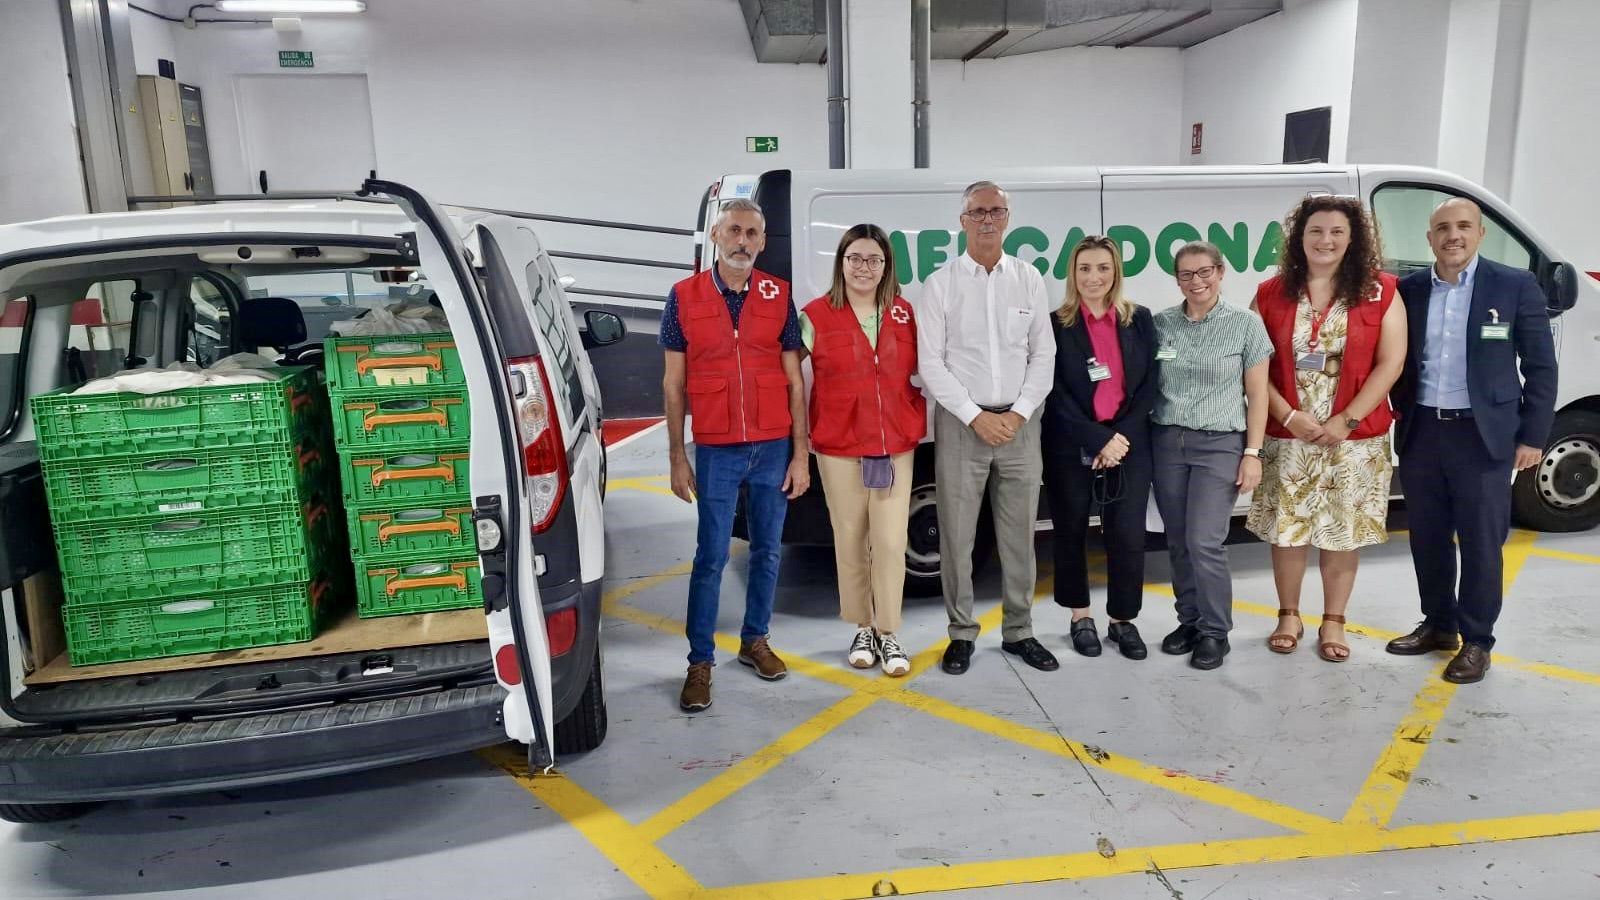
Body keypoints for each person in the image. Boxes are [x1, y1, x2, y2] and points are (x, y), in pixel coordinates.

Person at [1386, 197, 1557, 684]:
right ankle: (1438, 624)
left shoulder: (1514, 284)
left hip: (1484, 437)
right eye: (1442, 227)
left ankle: (1477, 640)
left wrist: (1532, 437)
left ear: (1481, 234)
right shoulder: (1411, 289)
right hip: (1422, 432)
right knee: (1427, 536)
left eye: (1463, 226)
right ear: (1429, 238)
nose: (1453, 235)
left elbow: (1541, 368)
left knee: (1482, 541)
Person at [661, 197, 811, 712]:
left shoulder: (779, 295)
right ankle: (699, 661)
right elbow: (673, 382)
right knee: (711, 557)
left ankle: (755, 641)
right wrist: (678, 455)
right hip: (716, 449)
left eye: (751, 233)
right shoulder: (683, 297)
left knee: (769, 551)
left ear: (763, 241)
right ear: (717, 237)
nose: (742, 241)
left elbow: (794, 380)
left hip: (772, 445)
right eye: (733, 231)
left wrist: (800, 453)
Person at [1247, 195, 1407, 662]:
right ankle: (1289, 614)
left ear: (1354, 239)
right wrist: (1290, 416)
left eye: (1337, 231)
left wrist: (1347, 418)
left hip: (1354, 438)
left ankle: (1334, 620)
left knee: (1342, 531)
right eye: (1316, 231)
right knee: (1287, 530)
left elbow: (1391, 361)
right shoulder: (1269, 292)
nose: (1326, 240)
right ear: (1300, 237)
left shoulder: (1381, 291)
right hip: (1288, 435)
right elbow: (1254, 367)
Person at [917, 181, 1059, 675]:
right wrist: (976, 415)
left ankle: (1019, 630)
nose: (987, 219)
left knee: (1020, 532)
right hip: (962, 423)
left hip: (1021, 422)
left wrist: (1018, 412)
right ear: (962, 221)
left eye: (996, 211)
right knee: (957, 535)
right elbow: (930, 362)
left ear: (1007, 217)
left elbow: (1044, 353)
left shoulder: (1029, 278)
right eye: (977, 211)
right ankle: (960, 632)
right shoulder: (941, 283)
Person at [800, 224, 926, 676]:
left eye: (874, 259)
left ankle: (889, 633)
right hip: (838, 446)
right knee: (850, 539)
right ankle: (862, 625)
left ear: (886, 266)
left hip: (893, 445)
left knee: (891, 542)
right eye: (855, 258)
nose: (864, 268)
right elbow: (786, 373)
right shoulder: (815, 315)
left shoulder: (905, 313)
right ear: (841, 262)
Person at [1151, 241, 1273, 670]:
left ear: (1220, 272)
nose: (1196, 281)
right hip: (1167, 442)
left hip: (1220, 443)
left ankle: (1215, 631)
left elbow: (1258, 395)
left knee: (1205, 539)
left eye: (1204, 272)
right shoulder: (1162, 324)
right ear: (1177, 279)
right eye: (1186, 275)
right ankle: (1189, 620)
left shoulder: (1246, 324)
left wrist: (1253, 453)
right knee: (1178, 539)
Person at [1040, 235, 1158, 660]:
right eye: (1085, 268)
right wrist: (1097, 437)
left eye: (1103, 268)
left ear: (1116, 273)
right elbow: (1052, 391)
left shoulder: (1139, 319)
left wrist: (1118, 438)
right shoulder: (1055, 324)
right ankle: (1080, 617)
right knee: (1070, 531)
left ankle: (1123, 621)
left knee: (1127, 535)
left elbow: (1148, 385)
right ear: (1073, 273)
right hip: (1071, 444)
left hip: (1128, 444)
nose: (1094, 277)